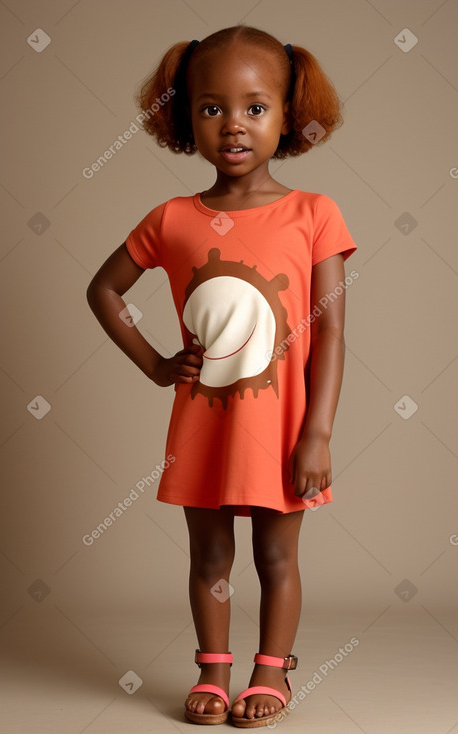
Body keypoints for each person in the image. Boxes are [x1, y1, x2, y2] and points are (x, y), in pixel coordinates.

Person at [86, 24, 357, 728]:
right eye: (211, 108)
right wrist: (154, 364)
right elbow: (104, 292)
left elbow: (330, 329)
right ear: (184, 118)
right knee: (208, 553)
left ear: (290, 115)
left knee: (275, 555)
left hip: (282, 428)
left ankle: (271, 671)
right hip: (202, 423)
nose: (233, 125)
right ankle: (213, 670)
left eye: (255, 107)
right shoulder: (172, 219)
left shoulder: (313, 214)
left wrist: (317, 433)